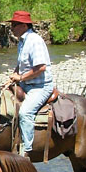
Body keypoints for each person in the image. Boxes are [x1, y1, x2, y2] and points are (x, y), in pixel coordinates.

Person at [8, 10, 54, 156]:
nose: (12, 28)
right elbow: (22, 64)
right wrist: (14, 74)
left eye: (14, 25)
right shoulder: (22, 41)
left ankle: (26, 150)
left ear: (24, 25)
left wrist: (20, 78)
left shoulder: (35, 41)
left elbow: (41, 68)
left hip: (40, 86)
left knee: (25, 112)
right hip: (26, 83)